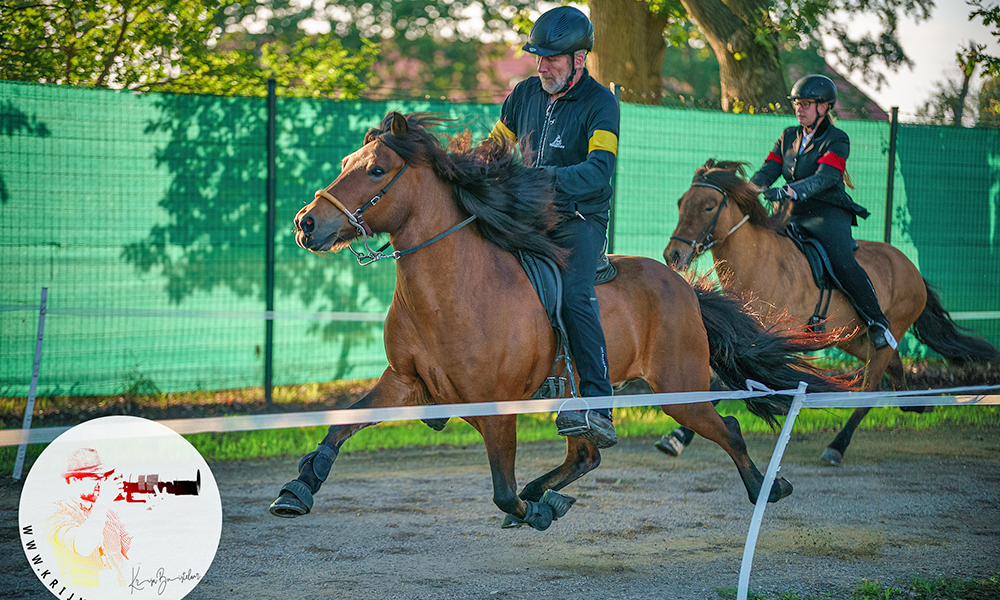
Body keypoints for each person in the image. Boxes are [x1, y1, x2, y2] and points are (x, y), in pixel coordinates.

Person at [489, 5, 619, 448]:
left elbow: (600, 171)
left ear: (578, 60)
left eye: (552, 59)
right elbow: (494, 150)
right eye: (538, 58)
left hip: (577, 220)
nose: (542, 67)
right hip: (524, 216)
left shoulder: (602, 103)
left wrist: (543, 180)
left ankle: (599, 404)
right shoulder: (523, 94)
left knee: (575, 292)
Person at [750, 74, 897, 351]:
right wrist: (748, 190)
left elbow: (826, 177)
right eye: (796, 103)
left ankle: (877, 321)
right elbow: (769, 169)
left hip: (826, 214)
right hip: (790, 214)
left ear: (824, 107)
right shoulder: (788, 136)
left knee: (842, 262)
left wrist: (787, 191)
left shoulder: (837, 139)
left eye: (806, 103)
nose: (799, 108)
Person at [44, 448, 132, 588]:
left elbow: (130, 547)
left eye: (103, 477)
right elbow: (83, 546)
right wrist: (103, 502)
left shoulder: (105, 510)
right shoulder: (56, 513)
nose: (101, 483)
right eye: (94, 477)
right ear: (73, 480)